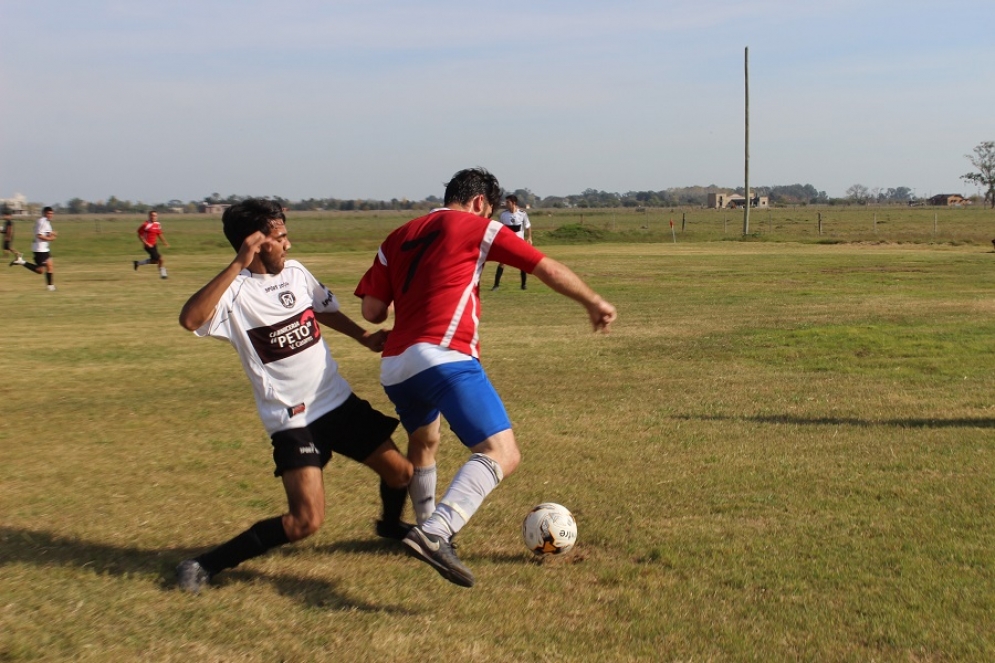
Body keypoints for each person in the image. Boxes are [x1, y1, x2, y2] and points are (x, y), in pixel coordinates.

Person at [355, 168, 616, 587]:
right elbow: (542, 266)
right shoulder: (477, 227)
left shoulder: (396, 236)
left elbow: (371, 311)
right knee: (502, 453)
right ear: (480, 203)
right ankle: (437, 532)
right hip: (444, 355)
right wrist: (592, 300)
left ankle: (425, 528)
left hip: (397, 365)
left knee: (425, 440)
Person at [174, 198, 414, 593]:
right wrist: (238, 262)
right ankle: (202, 564)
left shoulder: (298, 274)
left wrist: (364, 337)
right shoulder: (234, 292)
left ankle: (388, 527)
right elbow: (190, 320)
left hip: (336, 400)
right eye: (280, 237)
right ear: (254, 243)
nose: (289, 244)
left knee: (401, 473)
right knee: (305, 521)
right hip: (293, 420)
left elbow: (321, 309)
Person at [491, 194, 532, 290]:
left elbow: (528, 226)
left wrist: (529, 237)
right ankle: (496, 285)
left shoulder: (522, 214)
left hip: (519, 243)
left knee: (522, 263)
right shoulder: (503, 215)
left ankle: (523, 285)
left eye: (508, 202)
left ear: (513, 203)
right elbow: (500, 228)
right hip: (507, 243)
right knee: (502, 262)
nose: (506, 204)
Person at [11, 207, 56, 291]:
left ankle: (51, 287)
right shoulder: (42, 222)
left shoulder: (46, 222)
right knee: (40, 270)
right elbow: (39, 235)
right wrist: (51, 238)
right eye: (49, 213)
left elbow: (48, 233)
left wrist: (52, 234)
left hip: (44, 248)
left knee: (50, 266)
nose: (51, 215)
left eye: (52, 213)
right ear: (44, 213)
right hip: (39, 249)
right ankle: (21, 262)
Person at [133, 210, 170, 279]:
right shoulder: (145, 224)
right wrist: (146, 243)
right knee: (161, 259)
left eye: (155, 215)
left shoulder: (157, 224)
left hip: (154, 245)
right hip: (148, 246)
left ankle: (138, 263)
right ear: (149, 216)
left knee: (155, 261)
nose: (154, 217)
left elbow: (159, 233)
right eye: (152, 215)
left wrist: (165, 242)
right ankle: (163, 274)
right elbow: (139, 235)